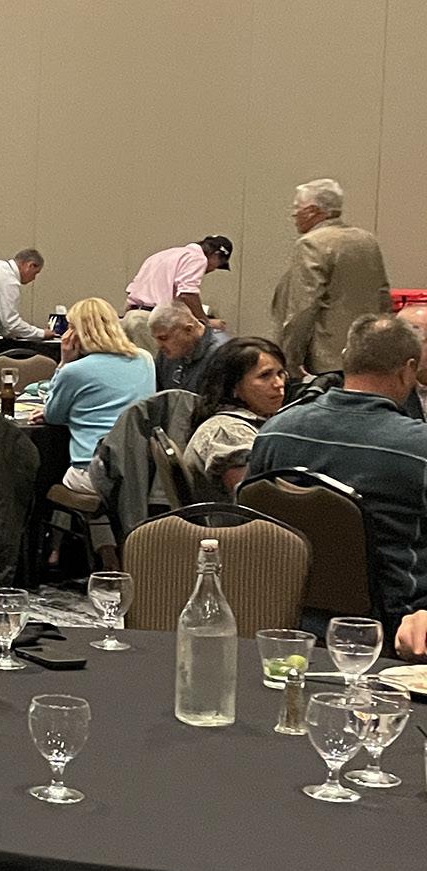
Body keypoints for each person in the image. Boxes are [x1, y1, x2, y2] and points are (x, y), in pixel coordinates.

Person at [252, 316, 427, 623]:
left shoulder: (273, 432)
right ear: (408, 370)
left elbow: (251, 528)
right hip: (396, 626)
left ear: (346, 360)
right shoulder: (419, 449)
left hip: (283, 617)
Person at [273, 178, 392, 376]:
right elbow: (383, 297)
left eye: (296, 208)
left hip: (327, 360)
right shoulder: (367, 240)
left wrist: (289, 360)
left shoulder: (312, 243)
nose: (294, 215)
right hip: (368, 353)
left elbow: (303, 307)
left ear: (312, 211)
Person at [40, 299, 155, 495]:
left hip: (94, 471)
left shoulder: (74, 371)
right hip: (140, 471)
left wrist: (64, 363)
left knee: (45, 477)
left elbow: (53, 416)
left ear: (77, 333)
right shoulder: (145, 359)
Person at [183, 337, 287, 491]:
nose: (279, 384)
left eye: (280, 373)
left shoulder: (260, 420)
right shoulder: (227, 431)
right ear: (234, 387)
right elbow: (252, 496)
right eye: (265, 375)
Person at [125, 235, 233, 316]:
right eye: (218, 265)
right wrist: (204, 321)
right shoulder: (198, 258)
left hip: (131, 314)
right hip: (153, 318)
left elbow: (134, 288)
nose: (213, 270)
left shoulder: (162, 255)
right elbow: (187, 294)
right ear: (216, 255)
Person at [151, 301, 230, 393]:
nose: (158, 346)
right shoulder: (167, 353)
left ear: (189, 330)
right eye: (155, 338)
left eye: (163, 338)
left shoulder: (221, 354)